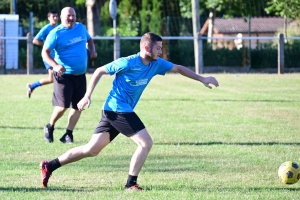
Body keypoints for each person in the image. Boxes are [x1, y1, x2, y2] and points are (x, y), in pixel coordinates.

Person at [40, 32, 219, 190]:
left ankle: (50, 165)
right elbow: (100, 71)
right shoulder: (127, 62)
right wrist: (87, 96)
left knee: (91, 150)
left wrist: (202, 78)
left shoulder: (156, 64)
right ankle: (130, 184)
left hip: (113, 110)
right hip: (117, 109)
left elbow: (178, 68)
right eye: (158, 48)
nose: (160, 51)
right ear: (147, 47)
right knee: (145, 143)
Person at [41, 7, 97, 144]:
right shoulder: (56, 33)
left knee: (79, 106)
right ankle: (50, 126)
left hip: (80, 75)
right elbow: (45, 52)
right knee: (62, 106)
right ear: (61, 17)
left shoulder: (81, 28)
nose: (71, 18)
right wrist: (55, 65)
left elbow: (89, 40)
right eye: (68, 16)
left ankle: (68, 134)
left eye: (73, 15)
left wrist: (92, 50)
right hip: (63, 75)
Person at [27, 10, 59, 98]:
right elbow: (35, 40)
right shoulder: (46, 28)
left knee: (52, 79)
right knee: (55, 77)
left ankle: (32, 86)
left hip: (57, 57)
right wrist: (46, 45)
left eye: (57, 16)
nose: (56, 18)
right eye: (53, 17)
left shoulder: (59, 27)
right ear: (49, 18)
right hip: (48, 56)